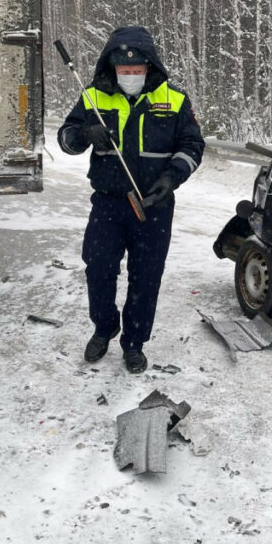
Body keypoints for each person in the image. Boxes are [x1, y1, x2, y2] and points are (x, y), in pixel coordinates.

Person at [58, 26, 205, 373]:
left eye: (137, 71)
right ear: (112, 69)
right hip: (108, 203)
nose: (130, 76)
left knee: (146, 276)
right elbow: (66, 139)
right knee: (99, 268)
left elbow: (193, 146)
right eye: (124, 71)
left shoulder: (175, 100)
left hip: (154, 206)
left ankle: (134, 342)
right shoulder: (94, 96)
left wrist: (171, 178)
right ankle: (103, 326)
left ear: (150, 68)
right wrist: (84, 133)